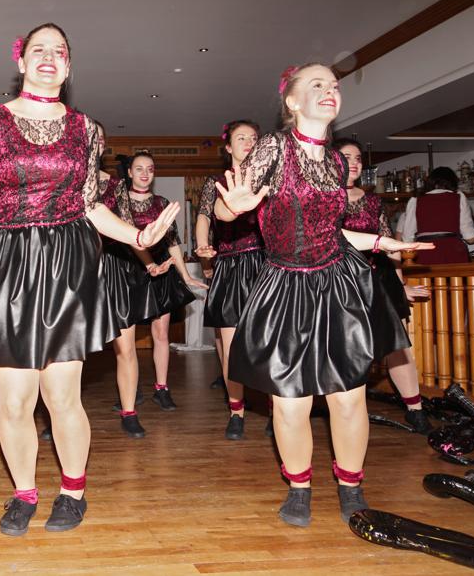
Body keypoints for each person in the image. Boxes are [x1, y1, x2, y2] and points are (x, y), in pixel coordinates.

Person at [0, 23, 176, 536]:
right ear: (22, 62)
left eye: (60, 50)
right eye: (39, 49)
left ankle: (73, 491)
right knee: (14, 400)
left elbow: (90, 205)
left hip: (66, 264)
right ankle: (24, 492)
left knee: (63, 395)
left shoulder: (87, 129)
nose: (49, 56)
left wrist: (138, 237)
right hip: (5, 264)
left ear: (68, 66)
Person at [215, 63, 432, 527]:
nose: (330, 91)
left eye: (334, 85)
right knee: (289, 401)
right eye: (317, 85)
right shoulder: (274, 147)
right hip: (285, 286)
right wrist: (229, 208)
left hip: (337, 284)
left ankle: (351, 485)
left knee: (348, 397)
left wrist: (382, 242)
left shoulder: (335, 161)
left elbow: (334, 232)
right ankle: (299, 487)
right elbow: (229, 204)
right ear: (292, 101)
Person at [335, 138, 432, 434]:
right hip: (339, 282)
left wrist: (400, 286)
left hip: (376, 280)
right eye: (347, 157)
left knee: (396, 346)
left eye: (358, 158)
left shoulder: (373, 201)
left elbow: (391, 248)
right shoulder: (322, 198)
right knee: (341, 349)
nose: (354, 163)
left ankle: (415, 410)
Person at [196, 120, 265, 440]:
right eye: (241, 138)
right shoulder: (216, 182)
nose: (248, 142)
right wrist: (202, 248)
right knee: (232, 347)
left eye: (253, 137)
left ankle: (277, 408)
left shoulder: (268, 180)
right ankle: (236, 411)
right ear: (228, 147)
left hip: (265, 264)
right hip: (230, 266)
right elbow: (204, 216)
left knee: (269, 342)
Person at [126, 151, 207, 412]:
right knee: (126, 339)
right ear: (129, 172)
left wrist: (185, 275)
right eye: (139, 168)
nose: (145, 173)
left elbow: (172, 242)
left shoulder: (161, 203)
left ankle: (162, 389)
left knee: (161, 333)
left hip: (162, 271)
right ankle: (129, 388)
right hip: (130, 271)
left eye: (150, 169)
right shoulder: (120, 201)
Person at [95, 123, 161, 438]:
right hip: (73, 268)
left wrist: (149, 263)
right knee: (65, 351)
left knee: (125, 347)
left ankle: (129, 412)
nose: (94, 142)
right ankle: (57, 417)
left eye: (99, 138)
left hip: (115, 267)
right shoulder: (67, 179)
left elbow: (128, 230)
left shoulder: (116, 187)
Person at [399, 166, 474, 264]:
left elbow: (407, 239)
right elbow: (470, 238)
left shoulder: (415, 199)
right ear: (453, 182)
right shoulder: (458, 197)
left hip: (424, 254)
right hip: (453, 253)